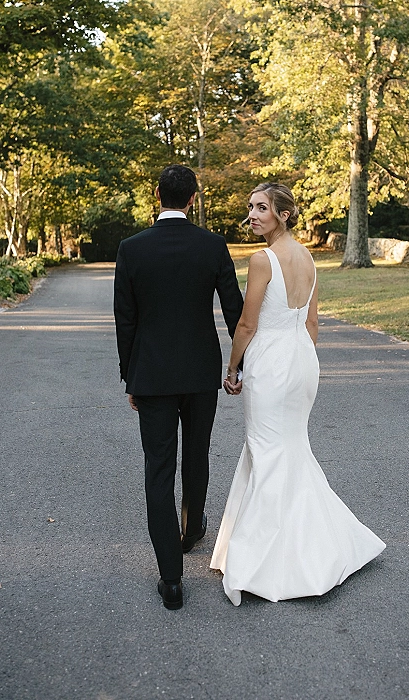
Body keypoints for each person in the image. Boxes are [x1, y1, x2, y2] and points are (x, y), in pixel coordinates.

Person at [210, 182, 385, 605]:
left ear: (284, 214)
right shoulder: (308, 256)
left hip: (270, 362)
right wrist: (298, 359)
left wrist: (232, 368)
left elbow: (247, 326)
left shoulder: (261, 259)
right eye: (250, 207)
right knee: (288, 448)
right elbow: (311, 325)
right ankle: (315, 543)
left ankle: (263, 560)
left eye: (262, 208)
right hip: (301, 361)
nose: (252, 214)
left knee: (268, 450)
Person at [114, 164, 244, 610]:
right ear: (193, 198)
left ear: (157, 195)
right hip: (199, 373)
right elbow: (235, 311)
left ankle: (171, 578)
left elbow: (125, 320)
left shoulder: (131, 249)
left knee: (158, 468)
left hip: (151, 375)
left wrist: (130, 376)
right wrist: (239, 367)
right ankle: (191, 532)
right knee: (196, 456)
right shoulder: (212, 245)